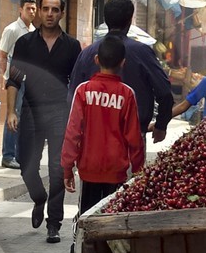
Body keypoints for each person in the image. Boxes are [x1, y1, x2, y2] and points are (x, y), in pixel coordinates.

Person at [6, 0, 81, 243]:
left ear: (61, 12)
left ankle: (54, 224)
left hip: (60, 112)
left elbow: (78, 85)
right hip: (31, 111)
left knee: (58, 169)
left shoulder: (72, 46)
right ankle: (39, 197)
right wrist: (10, 112)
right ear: (38, 10)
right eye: (46, 8)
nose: (50, 14)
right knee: (27, 167)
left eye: (55, 9)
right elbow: (13, 79)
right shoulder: (25, 44)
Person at [68, 0, 174, 145]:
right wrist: (161, 125)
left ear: (105, 20)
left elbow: (72, 98)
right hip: (132, 137)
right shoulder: (142, 52)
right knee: (131, 169)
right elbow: (164, 92)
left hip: (93, 138)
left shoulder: (87, 53)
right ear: (130, 20)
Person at [60, 35, 146, 213]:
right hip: (116, 170)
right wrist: (138, 170)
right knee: (111, 217)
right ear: (123, 63)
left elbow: (72, 132)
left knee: (87, 216)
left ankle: (83, 242)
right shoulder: (127, 94)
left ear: (97, 60)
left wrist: (67, 167)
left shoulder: (83, 90)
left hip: (89, 167)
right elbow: (134, 137)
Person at [0, 0, 37, 168]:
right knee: (13, 115)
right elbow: (2, 55)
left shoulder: (34, 30)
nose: (32, 11)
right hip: (15, 78)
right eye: (28, 8)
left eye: (34, 8)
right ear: (20, 9)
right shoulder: (12, 29)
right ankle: (8, 155)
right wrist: (4, 78)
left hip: (30, 79)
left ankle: (20, 156)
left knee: (26, 118)